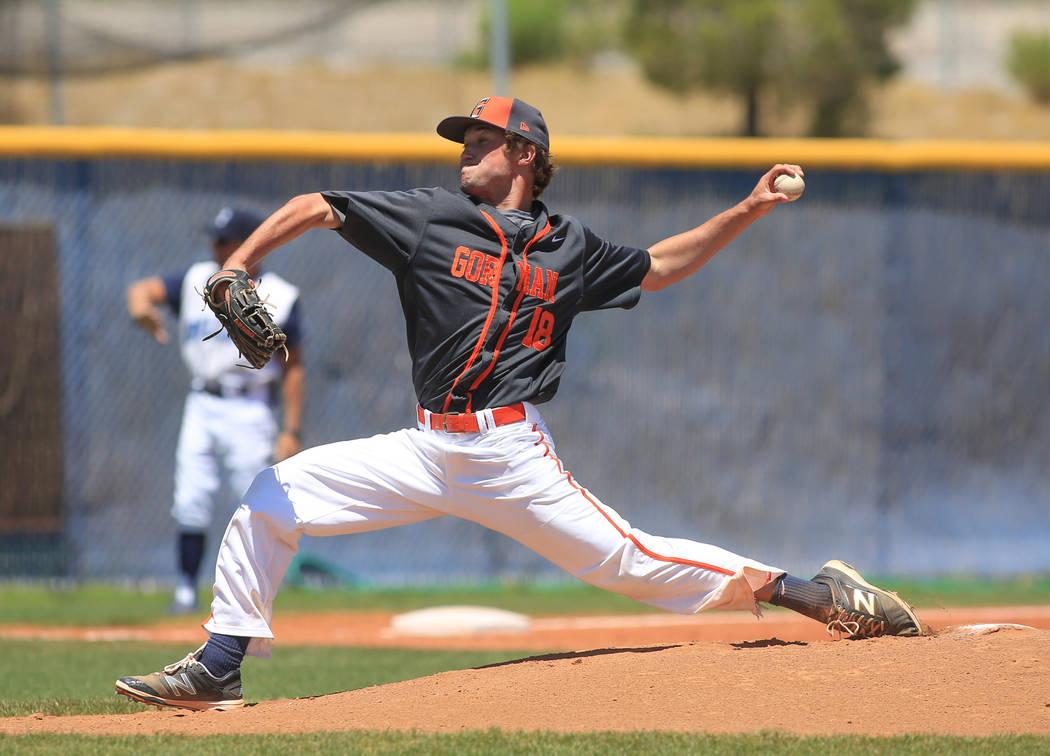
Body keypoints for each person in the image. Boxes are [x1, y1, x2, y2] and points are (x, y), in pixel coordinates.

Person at [116, 96, 922, 712]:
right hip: (427, 447)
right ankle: (221, 665)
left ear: (525, 154)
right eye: (463, 142)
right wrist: (243, 267)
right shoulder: (434, 219)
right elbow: (321, 205)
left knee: (632, 562)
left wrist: (749, 208)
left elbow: (662, 266)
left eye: (479, 140)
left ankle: (818, 595)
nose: (463, 151)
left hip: (510, 455)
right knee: (273, 496)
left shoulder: (569, 246)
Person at [126, 206, 305, 614]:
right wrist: (142, 311)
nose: (215, 247)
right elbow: (142, 291)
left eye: (225, 241)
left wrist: (291, 429)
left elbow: (295, 367)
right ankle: (187, 589)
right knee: (191, 497)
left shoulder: (283, 293)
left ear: (248, 245)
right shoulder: (195, 280)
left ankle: (256, 590)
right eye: (215, 239)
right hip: (202, 403)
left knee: (255, 500)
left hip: (251, 406)